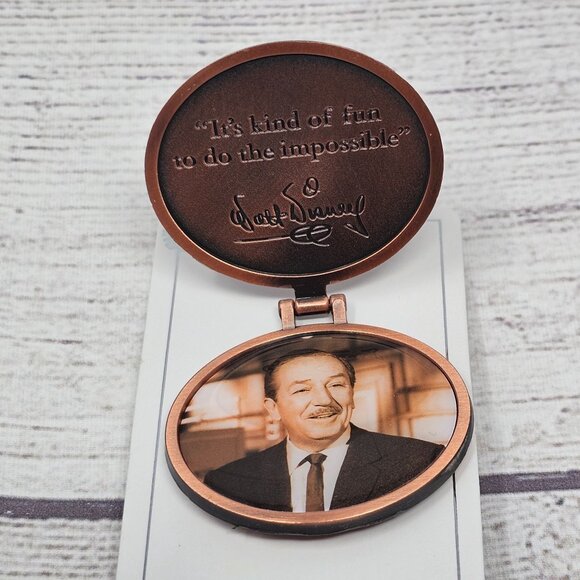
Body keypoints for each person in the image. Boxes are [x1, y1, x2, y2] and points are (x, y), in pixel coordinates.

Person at [203, 350, 443, 512]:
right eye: (302, 390)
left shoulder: (419, 461)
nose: (324, 400)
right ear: (273, 409)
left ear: (352, 396)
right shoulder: (228, 482)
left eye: (336, 385)